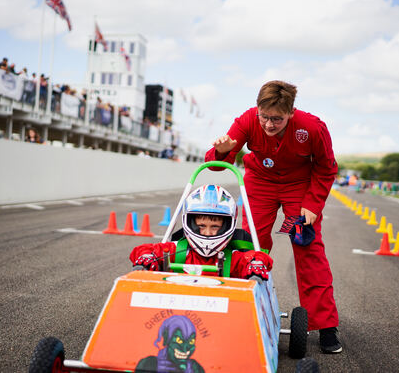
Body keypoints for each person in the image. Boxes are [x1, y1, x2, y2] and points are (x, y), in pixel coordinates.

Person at [206, 80, 341, 353]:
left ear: (291, 113)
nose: (268, 124)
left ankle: (326, 324)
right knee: (251, 245)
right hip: (261, 184)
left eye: (277, 119)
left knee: (307, 248)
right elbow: (219, 163)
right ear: (258, 109)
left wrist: (313, 204)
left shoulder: (312, 127)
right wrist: (221, 151)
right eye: (264, 116)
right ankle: (243, 307)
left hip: (298, 190)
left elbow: (327, 168)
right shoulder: (247, 120)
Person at [130, 184, 273, 281]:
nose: (207, 233)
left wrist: (256, 264)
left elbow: (258, 257)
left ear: (228, 225)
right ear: (191, 223)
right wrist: (147, 257)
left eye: (215, 226)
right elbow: (144, 250)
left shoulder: (233, 258)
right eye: (202, 225)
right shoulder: (176, 251)